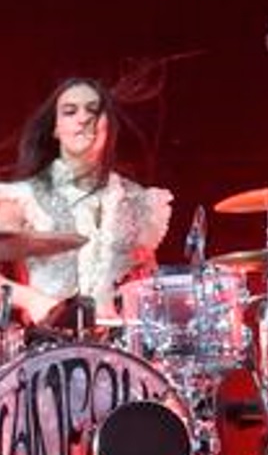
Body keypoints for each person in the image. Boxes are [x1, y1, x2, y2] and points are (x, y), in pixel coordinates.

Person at [0, 76, 173, 324]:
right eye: (70, 112)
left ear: (109, 126)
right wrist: (32, 300)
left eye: (94, 110)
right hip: (49, 345)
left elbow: (147, 282)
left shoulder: (137, 199)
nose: (83, 118)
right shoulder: (24, 196)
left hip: (117, 344)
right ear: (55, 129)